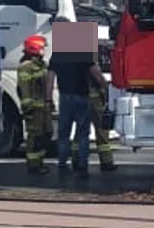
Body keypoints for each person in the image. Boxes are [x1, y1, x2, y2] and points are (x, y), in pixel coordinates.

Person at [48, 38, 106, 178]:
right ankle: (82, 164)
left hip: (65, 97)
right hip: (82, 97)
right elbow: (96, 74)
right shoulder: (83, 54)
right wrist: (104, 86)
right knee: (83, 133)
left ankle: (62, 163)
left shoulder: (57, 55)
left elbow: (49, 79)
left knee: (63, 133)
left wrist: (48, 98)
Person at [16, 35, 53, 175]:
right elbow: (24, 89)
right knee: (35, 135)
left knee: (47, 133)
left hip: (44, 106)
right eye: (42, 48)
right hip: (34, 108)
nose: (44, 50)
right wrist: (28, 107)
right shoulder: (26, 67)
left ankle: (40, 160)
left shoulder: (41, 64)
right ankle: (34, 164)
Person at [89, 42, 118, 172]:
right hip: (95, 99)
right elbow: (97, 77)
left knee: (81, 130)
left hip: (81, 98)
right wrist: (106, 89)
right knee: (102, 131)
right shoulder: (89, 59)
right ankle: (106, 162)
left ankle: (77, 161)